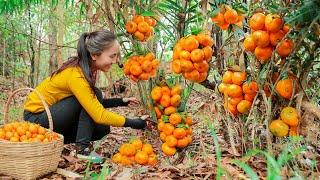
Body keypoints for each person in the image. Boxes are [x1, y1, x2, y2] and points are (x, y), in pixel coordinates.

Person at [23, 30, 146, 157]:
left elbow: (89, 102)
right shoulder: (76, 75)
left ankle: (54, 143)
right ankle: (82, 149)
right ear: (94, 55)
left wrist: (121, 102)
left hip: (52, 116)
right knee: (96, 94)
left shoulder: (86, 68)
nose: (116, 61)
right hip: (36, 119)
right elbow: (98, 113)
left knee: (102, 130)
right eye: (112, 56)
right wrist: (134, 123)